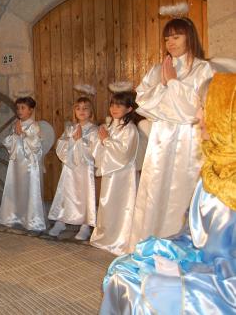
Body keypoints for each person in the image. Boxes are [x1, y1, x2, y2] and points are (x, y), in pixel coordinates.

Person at [100, 73, 236, 314]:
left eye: (204, 108)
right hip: (201, 262)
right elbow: (193, 235)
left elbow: (226, 267)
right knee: (123, 270)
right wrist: (164, 249)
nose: (197, 116)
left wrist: (181, 272)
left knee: (146, 291)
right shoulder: (213, 171)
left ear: (227, 116)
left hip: (223, 283)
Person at [129, 8, 214, 249]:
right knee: (155, 190)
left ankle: (182, 247)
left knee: (181, 192)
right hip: (161, 138)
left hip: (189, 139)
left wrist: (174, 83)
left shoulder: (202, 69)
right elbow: (143, 101)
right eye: (167, 38)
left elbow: (194, 109)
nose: (170, 42)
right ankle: (150, 244)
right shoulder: (158, 69)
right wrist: (165, 84)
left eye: (176, 37)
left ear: (189, 37)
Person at [90, 90, 139, 255]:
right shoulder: (111, 126)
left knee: (122, 206)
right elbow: (99, 149)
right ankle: (106, 237)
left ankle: (120, 240)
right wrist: (98, 139)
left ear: (129, 109)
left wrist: (106, 140)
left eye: (119, 105)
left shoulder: (130, 129)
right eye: (112, 104)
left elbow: (124, 154)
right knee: (107, 204)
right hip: (110, 173)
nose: (114, 108)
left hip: (123, 175)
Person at [48, 93, 98, 239]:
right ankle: (61, 220)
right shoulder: (71, 129)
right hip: (70, 169)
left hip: (84, 169)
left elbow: (94, 149)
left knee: (84, 194)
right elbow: (61, 145)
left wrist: (81, 141)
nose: (81, 111)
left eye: (85, 108)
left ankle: (85, 224)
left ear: (91, 112)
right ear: (75, 112)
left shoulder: (94, 130)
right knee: (66, 192)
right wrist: (72, 141)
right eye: (78, 108)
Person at [0, 96, 46, 232]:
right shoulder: (16, 124)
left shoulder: (34, 126)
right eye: (18, 108)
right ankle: (13, 216)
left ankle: (31, 220)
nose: (19, 111)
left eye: (23, 108)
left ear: (30, 110)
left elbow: (35, 145)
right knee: (16, 188)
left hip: (29, 165)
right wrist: (15, 134)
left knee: (29, 190)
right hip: (16, 164)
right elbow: (8, 143)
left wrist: (22, 135)